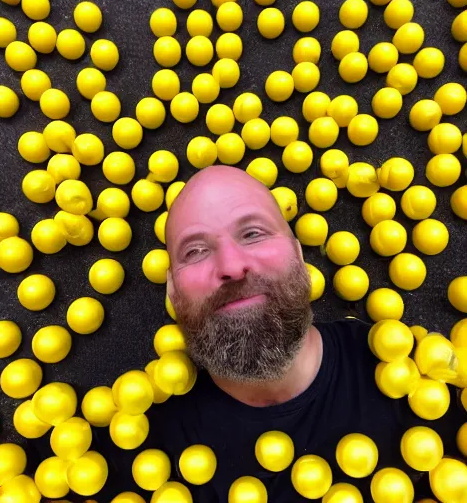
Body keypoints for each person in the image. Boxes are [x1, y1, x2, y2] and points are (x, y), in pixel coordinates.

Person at [94, 165, 464, 502]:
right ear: (173, 292)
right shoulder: (135, 445)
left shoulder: (434, 386)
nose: (233, 266)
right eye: (196, 250)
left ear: (300, 259)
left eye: (253, 233)